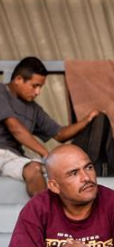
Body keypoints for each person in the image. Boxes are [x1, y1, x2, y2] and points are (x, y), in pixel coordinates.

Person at [0, 57, 103, 196]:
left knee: (46, 169)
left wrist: (87, 119)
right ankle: (44, 209)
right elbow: (15, 128)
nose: (38, 92)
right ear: (18, 79)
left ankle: (47, 207)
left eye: (40, 87)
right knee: (41, 165)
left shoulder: (34, 109)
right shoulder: (1, 91)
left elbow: (60, 134)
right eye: (35, 86)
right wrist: (46, 154)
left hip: (13, 157)